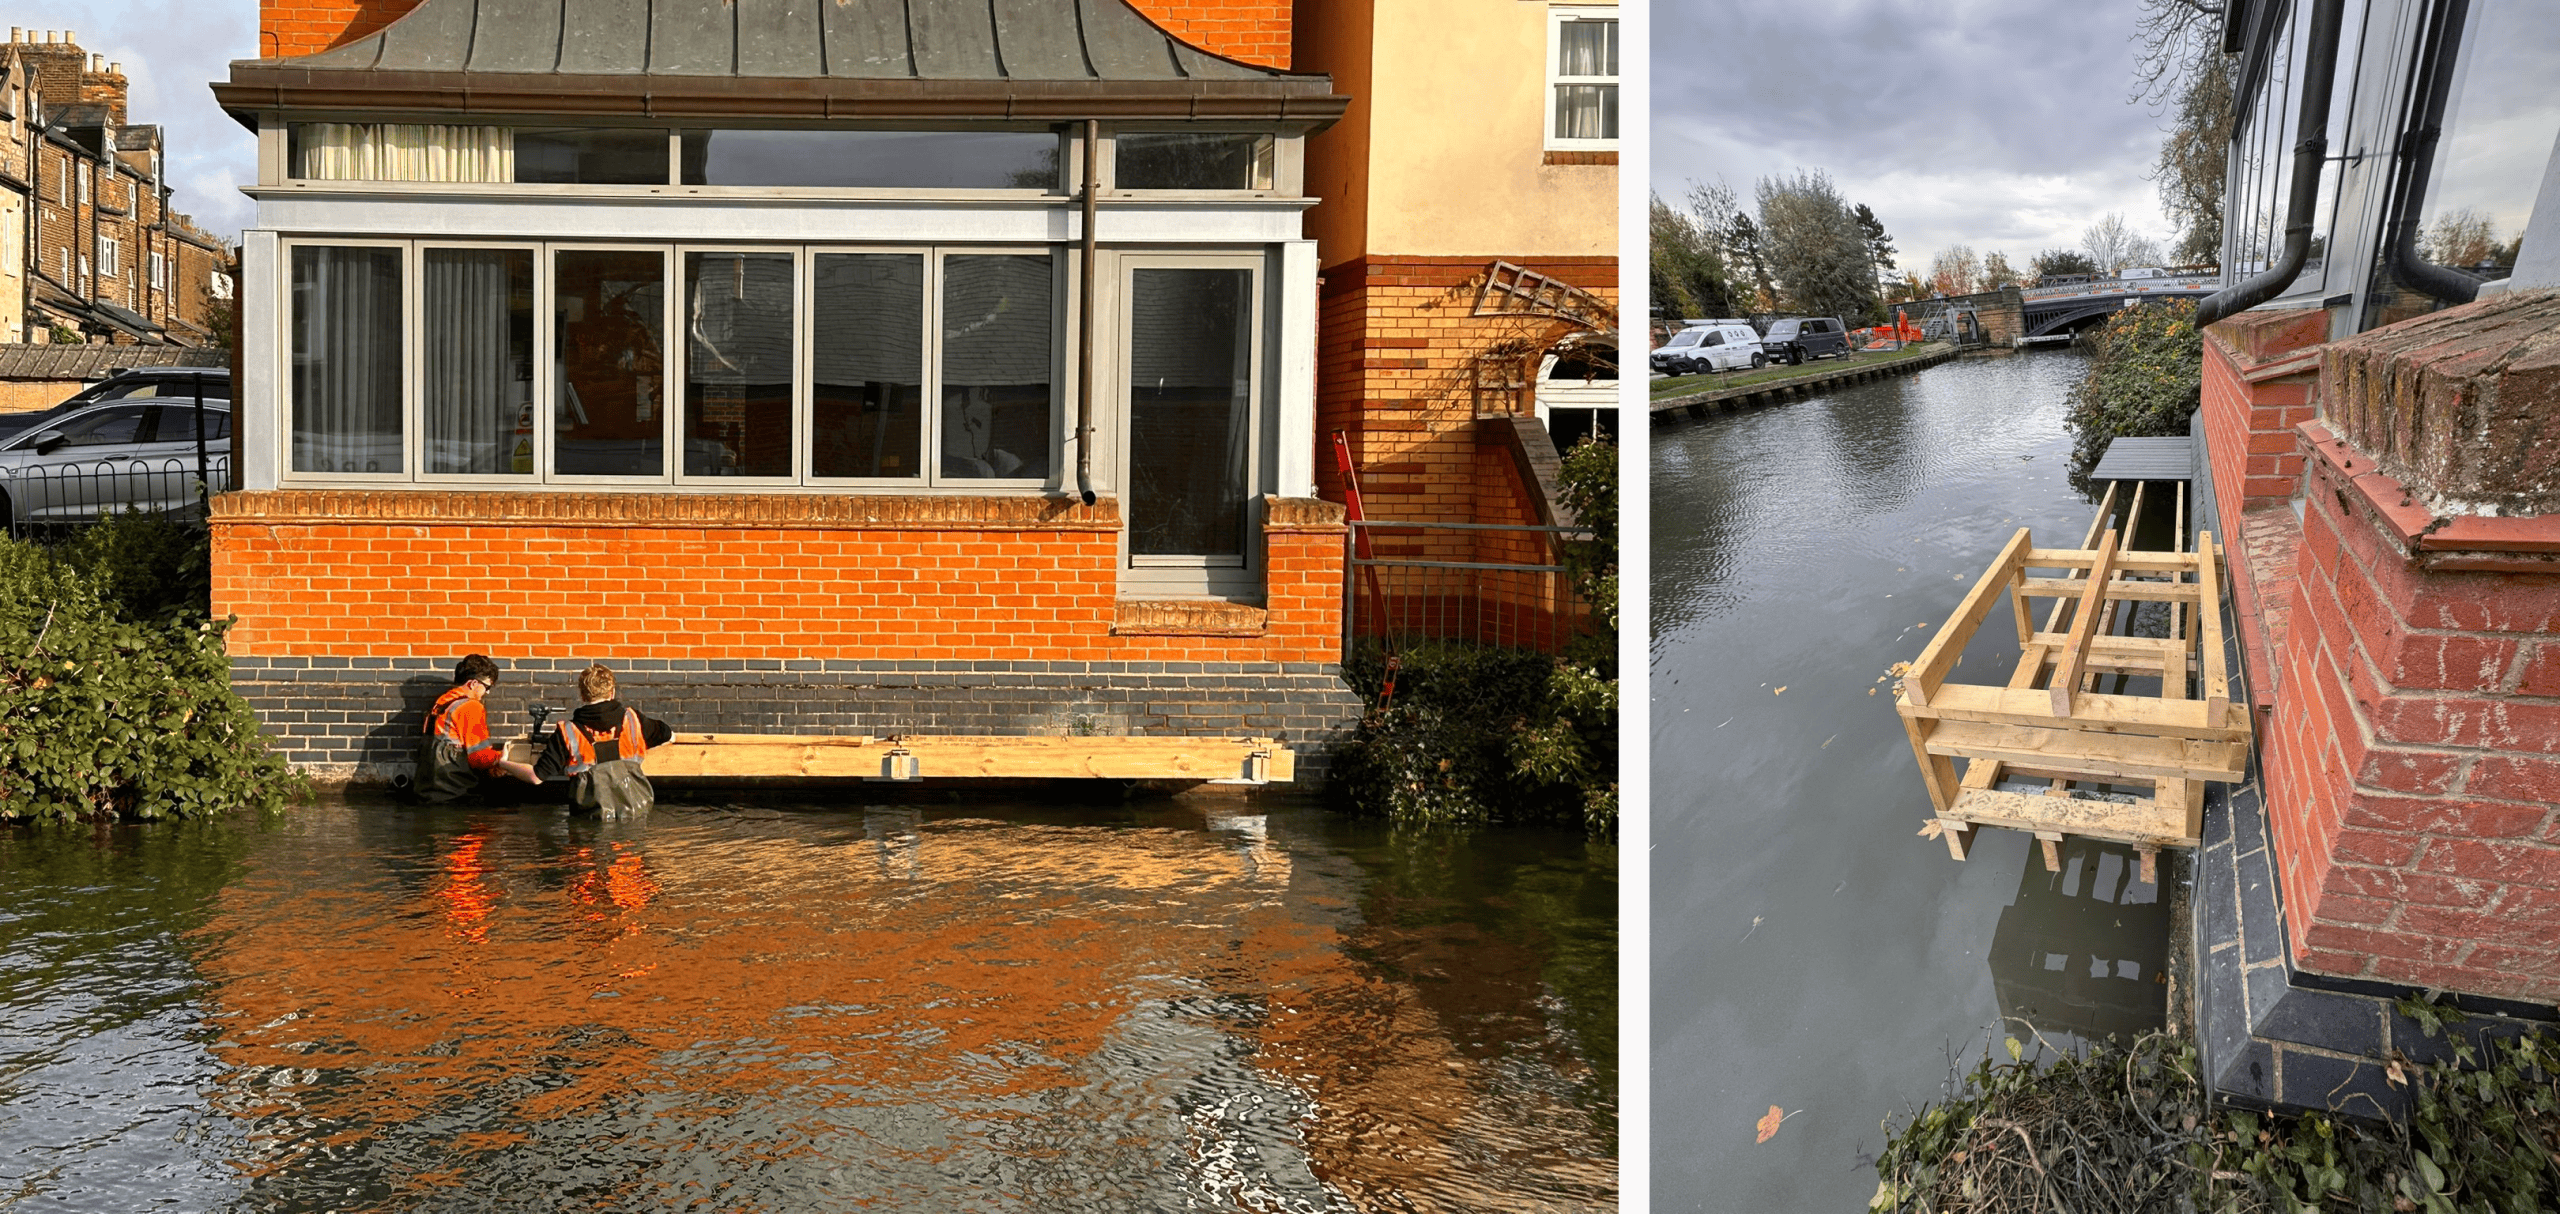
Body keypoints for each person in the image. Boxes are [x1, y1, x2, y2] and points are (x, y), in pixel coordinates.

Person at [538, 663, 673, 815]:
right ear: (612, 693)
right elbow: (667, 733)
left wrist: (505, 763)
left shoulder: (568, 732)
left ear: (582, 696)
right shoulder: (633, 721)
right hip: (634, 814)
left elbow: (536, 777)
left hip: (591, 818)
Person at [417, 654, 541, 802]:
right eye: (487, 687)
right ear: (473, 684)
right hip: (455, 793)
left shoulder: (441, 703)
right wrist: (502, 758)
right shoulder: (471, 707)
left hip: (427, 791)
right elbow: (477, 757)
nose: (487, 692)